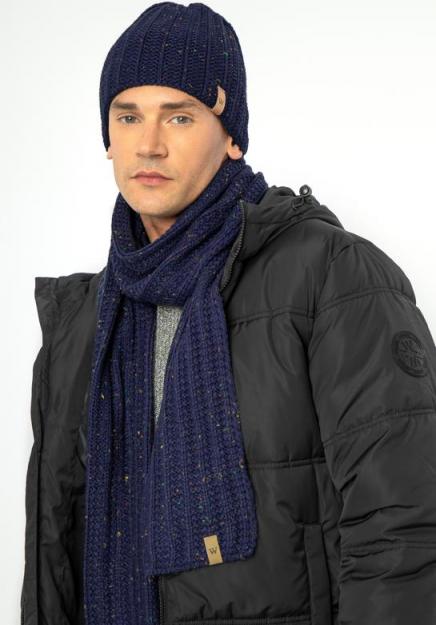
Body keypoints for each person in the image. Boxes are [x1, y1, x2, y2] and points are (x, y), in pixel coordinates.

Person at [20, 2, 436, 625]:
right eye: (128, 116)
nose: (149, 144)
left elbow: (405, 527)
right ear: (108, 137)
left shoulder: (333, 277)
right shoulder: (84, 324)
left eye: (179, 116)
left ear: (232, 136)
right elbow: (56, 553)